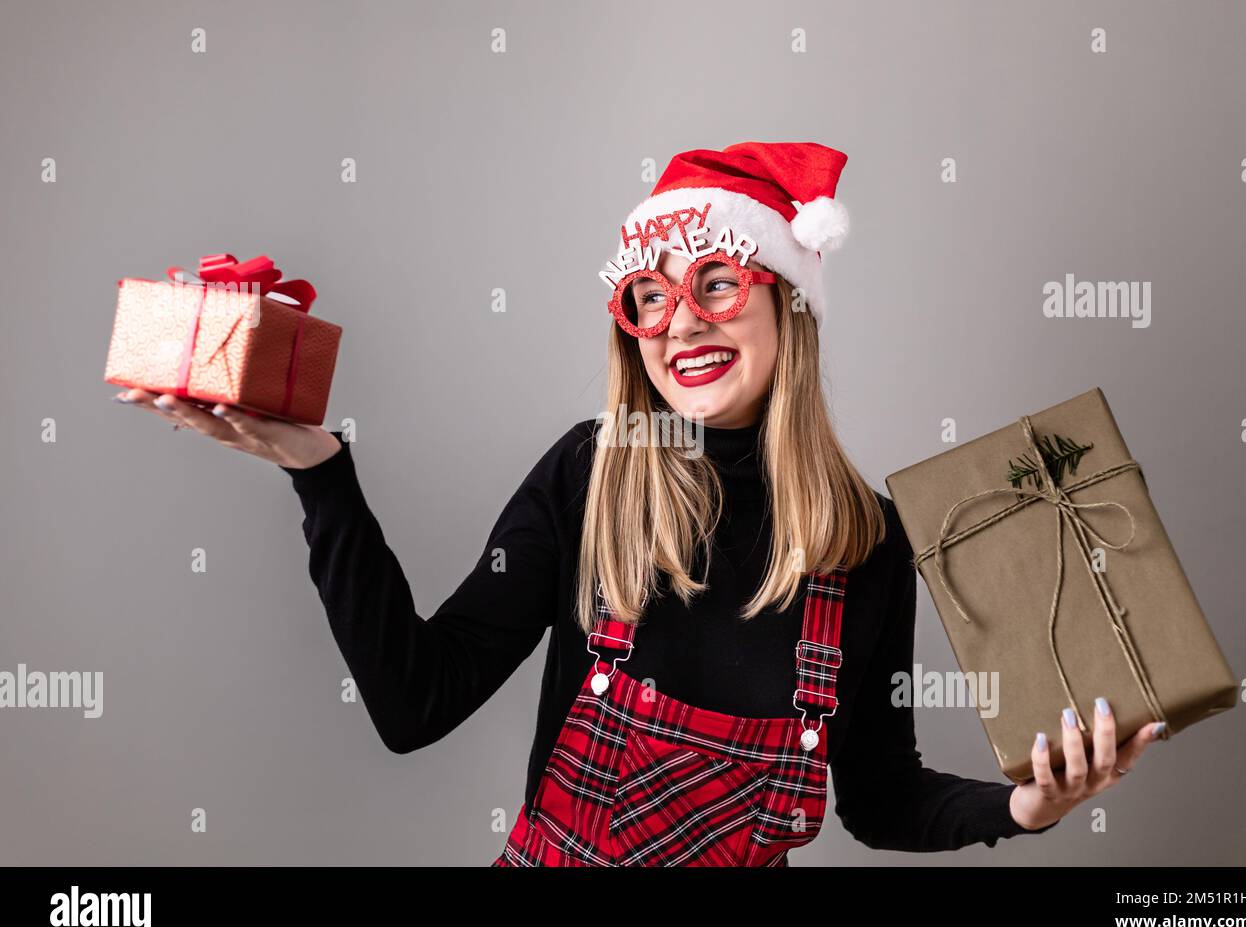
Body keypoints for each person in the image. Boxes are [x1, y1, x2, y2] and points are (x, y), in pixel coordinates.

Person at [112, 141, 1165, 866]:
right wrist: (320, 472)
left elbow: (880, 797)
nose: (678, 319)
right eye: (647, 296)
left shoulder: (868, 540)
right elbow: (413, 702)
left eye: (717, 280)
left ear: (788, 303)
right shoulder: (593, 473)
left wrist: (1025, 805)